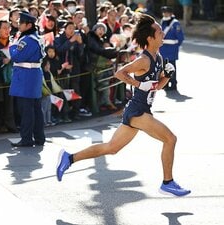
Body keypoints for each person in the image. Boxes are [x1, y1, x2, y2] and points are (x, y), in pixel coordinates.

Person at [56, 13, 191, 197]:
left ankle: (69, 158)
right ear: (150, 38)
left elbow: (157, 87)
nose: (163, 35)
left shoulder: (158, 57)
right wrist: (138, 84)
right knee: (170, 139)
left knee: (111, 148)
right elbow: (121, 73)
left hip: (140, 110)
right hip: (138, 111)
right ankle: (167, 182)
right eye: (159, 32)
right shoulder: (144, 60)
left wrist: (166, 76)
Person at [9, 11, 46, 147]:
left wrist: (12, 45)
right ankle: (39, 137)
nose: (19, 25)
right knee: (35, 108)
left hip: (26, 76)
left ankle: (26, 138)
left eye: (21, 23)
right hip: (33, 74)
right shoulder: (36, 38)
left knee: (26, 109)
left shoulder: (27, 40)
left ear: (28, 25)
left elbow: (16, 56)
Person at [159, 6, 184, 91]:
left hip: (172, 49)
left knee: (172, 67)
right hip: (163, 49)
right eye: (164, 12)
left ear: (170, 13)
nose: (165, 14)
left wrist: (176, 46)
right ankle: (165, 84)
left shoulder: (175, 23)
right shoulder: (163, 21)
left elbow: (180, 37)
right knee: (163, 67)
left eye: (166, 12)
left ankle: (173, 84)